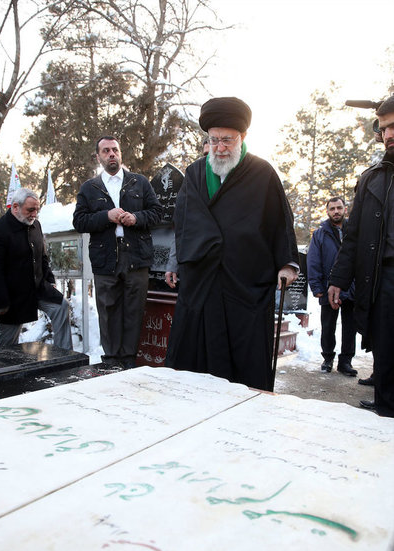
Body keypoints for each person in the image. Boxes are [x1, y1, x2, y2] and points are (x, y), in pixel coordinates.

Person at [165, 97, 299, 390]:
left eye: (227, 140)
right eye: (214, 140)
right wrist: (176, 261)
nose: (220, 147)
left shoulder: (262, 173)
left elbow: (280, 223)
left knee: (245, 359)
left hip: (246, 282)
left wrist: (287, 265)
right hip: (202, 280)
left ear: (243, 138)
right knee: (194, 362)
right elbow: (183, 222)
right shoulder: (196, 173)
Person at [328, 95, 394, 418]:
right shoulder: (370, 179)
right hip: (380, 279)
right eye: (384, 129)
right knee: (382, 343)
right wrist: (338, 280)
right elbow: (352, 237)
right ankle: (384, 404)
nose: (389, 134)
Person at [73, 136, 162, 369]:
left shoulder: (139, 182)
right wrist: (106, 216)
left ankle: (130, 361)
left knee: (134, 309)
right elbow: (79, 221)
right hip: (105, 259)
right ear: (98, 157)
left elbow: (157, 212)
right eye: (106, 151)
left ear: (121, 154)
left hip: (137, 256)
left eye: (115, 150)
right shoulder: (89, 188)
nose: (111, 154)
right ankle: (111, 362)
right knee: (108, 310)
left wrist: (136, 217)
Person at [0, 188, 72, 349]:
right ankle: (4, 371)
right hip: (10, 296)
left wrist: (49, 279)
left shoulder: (36, 225)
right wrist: (2, 301)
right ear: (15, 207)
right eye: (30, 210)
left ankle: (65, 355)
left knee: (61, 306)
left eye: (37, 209)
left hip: (37, 288)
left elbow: (42, 256)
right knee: (6, 346)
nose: (34, 214)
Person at [307, 196, 357, 376]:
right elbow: (313, 261)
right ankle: (327, 358)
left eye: (339, 208)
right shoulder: (320, 233)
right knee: (328, 326)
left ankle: (346, 362)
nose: (336, 211)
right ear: (327, 211)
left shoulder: (355, 231)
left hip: (351, 288)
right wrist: (317, 287)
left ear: (345, 209)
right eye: (332, 209)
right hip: (328, 289)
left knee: (350, 327)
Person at [165, 137, 210, 289]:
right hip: (198, 267)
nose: (210, 159)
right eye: (206, 155)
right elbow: (181, 227)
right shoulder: (193, 181)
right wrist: (172, 264)